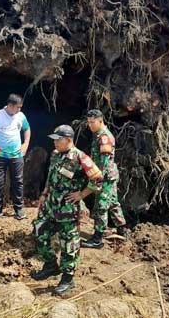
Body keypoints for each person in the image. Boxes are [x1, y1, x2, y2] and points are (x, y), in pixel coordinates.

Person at [31, 124, 103, 296]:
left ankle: (67, 279)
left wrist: (81, 194)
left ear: (69, 140)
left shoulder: (80, 157)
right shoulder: (56, 155)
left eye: (58, 140)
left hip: (68, 210)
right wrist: (44, 194)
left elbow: (98, 178)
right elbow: (50, 177)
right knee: (38, 231)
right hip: (50, 206)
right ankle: (50, 265)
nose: (55, 143)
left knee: (68, 244)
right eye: (54, 140)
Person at [82, 109, 128, 248]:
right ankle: (122, 229)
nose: (90, 125)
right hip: (108, 175)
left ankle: (97, 238)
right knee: (113, 202)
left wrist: (98, 178)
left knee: (101, 206)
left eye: (93, 122)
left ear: (101, 121)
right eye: (88, 122)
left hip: (105, 176)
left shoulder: (104, 137)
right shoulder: (98, 135)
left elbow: (105, 161)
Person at [0, 93, 31, 220]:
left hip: (16, 155)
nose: (19, 110)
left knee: (18, 181)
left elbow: (27, 129)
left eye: (21, 107)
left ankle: (18, 209)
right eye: (17, 107)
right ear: (10, 105)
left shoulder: (20, 116)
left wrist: (25, 144)